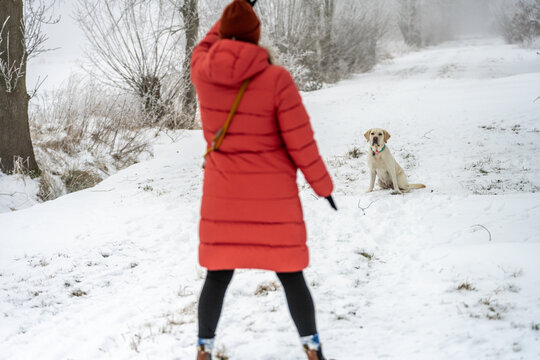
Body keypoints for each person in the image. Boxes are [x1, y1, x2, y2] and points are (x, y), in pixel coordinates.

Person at [190, 1, 336, 359]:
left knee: (217, 275)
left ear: (222, 33)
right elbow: (300, 141)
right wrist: (323, 187)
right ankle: (312, 347)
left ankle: (203, 349)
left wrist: (231, 14)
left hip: (223, 198)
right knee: (290, 274)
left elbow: (203, 47)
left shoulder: (203, 71)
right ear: (257, 35)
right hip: (274, 201)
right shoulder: (276, 79)